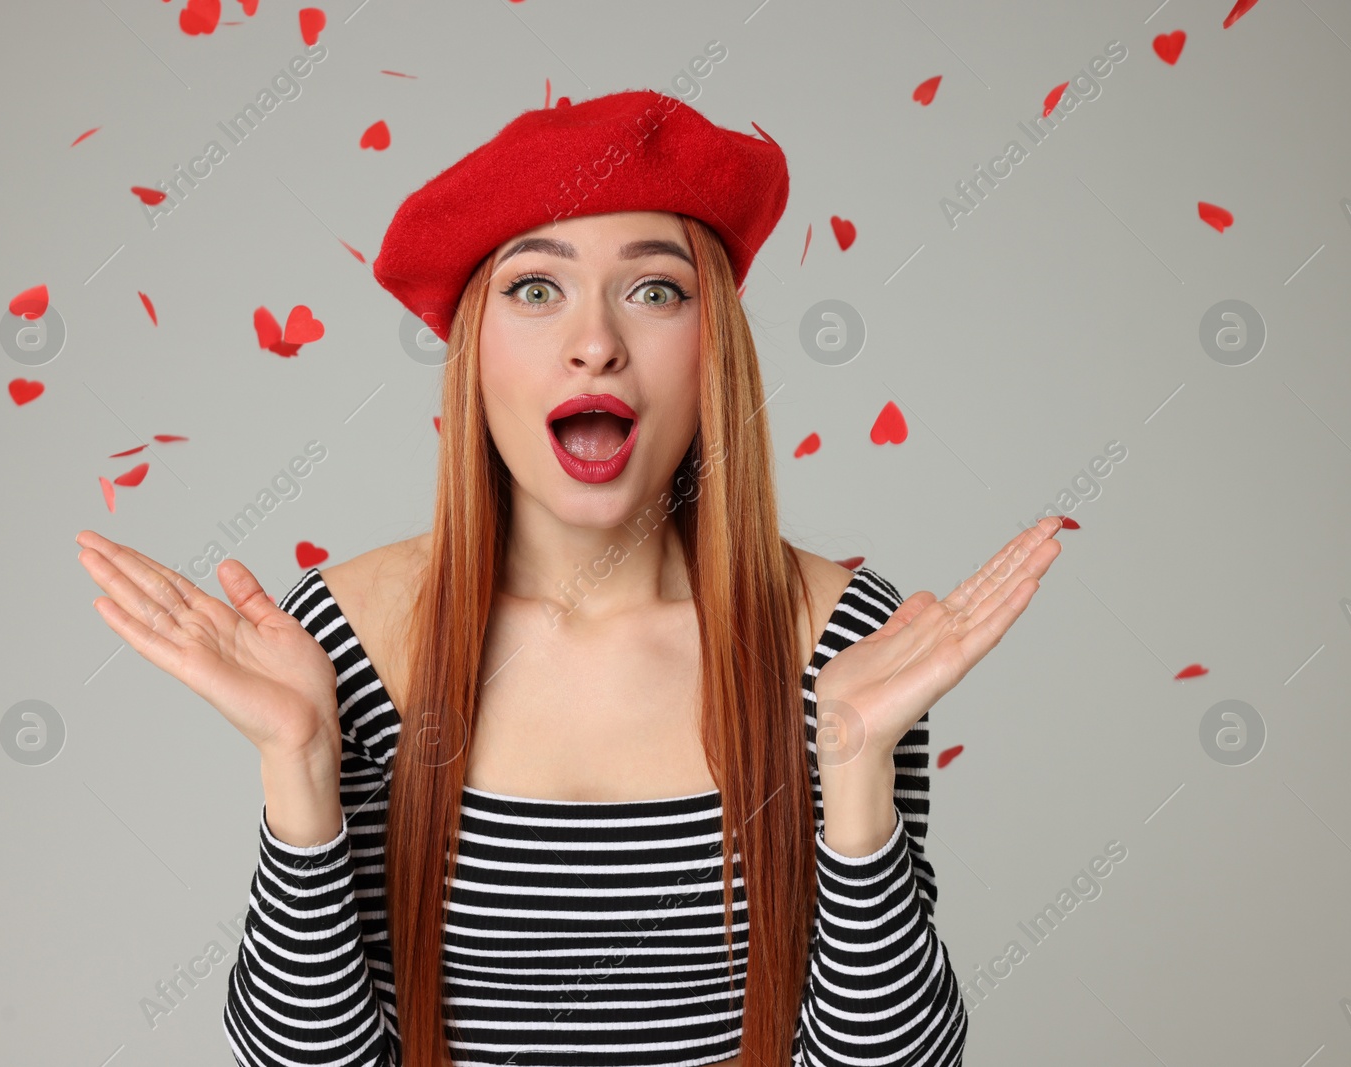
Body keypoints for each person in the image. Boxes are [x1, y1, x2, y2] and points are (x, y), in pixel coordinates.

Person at [75, 88, 1060, 1067]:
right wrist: (297, 756)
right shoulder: (345, 637)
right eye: (536, 289)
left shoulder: (839, 638)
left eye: (654, 290)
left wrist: (852, 765)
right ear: (473, 352)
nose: (595, 340)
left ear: (714, 346)